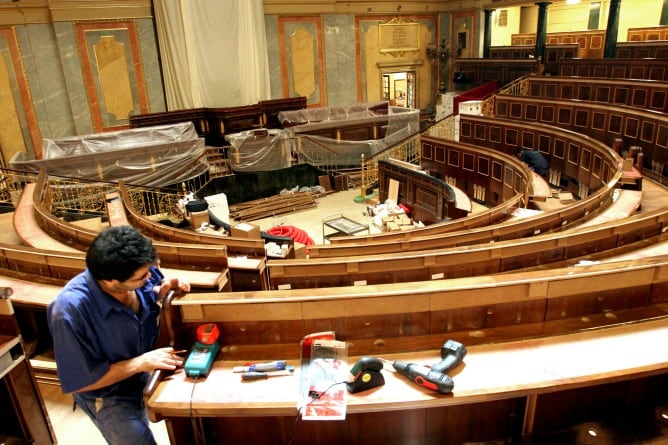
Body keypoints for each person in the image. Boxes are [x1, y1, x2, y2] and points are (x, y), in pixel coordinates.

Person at [47, 225, 191, 445]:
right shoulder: (68, 312)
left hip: (143, 369)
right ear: (109, 282)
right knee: (136, 440)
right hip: (107, 393)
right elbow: (79, 381)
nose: (150, 276)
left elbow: (149, 292)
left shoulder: (135, 274)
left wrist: (164, 290)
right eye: (142, 276)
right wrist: (140, 363)